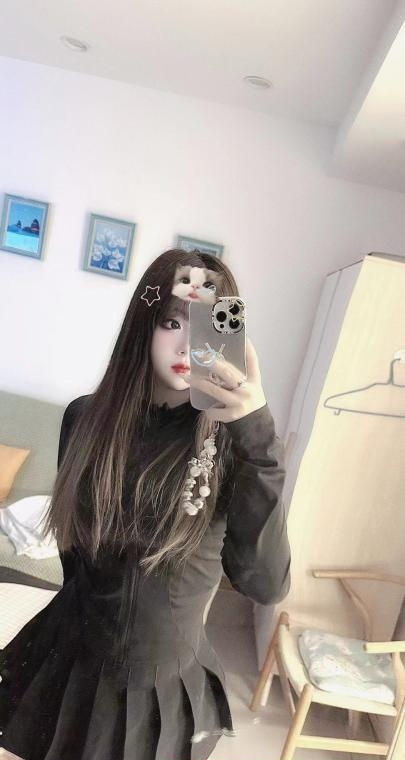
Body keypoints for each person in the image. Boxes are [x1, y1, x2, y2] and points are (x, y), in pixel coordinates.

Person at [0, 248, 291, 760]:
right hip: (70, 651)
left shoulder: (237, 445)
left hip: (162, 679)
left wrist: (258, 439)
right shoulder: (84, 419)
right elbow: (74, 554)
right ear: (144, 324)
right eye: (171, 322)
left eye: (205, 326)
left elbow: (265, 585)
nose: (186, 344)